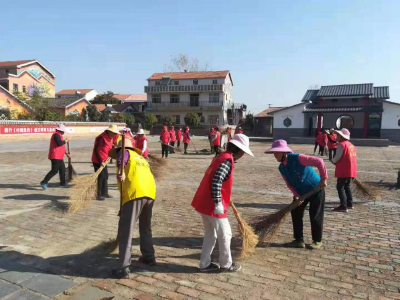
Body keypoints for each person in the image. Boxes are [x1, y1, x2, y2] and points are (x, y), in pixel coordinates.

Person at [191, 134, 254, 272]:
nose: (243, 154)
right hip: (212, 204)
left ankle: (205, 264)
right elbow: (217, 180)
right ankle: (226, 264)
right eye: (243, 151)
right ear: (239, 150)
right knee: (226, 234)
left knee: (210, 234)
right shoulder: (227, 160)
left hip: (204, 202)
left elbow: (217, 179)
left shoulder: (221, 157)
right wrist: (218, 202)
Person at [265, 139, 327, 250]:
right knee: (296, 211)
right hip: (302, 193)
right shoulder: (282, 168)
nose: (275, 155)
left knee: (315, 215)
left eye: (277, 152)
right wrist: (296, 195)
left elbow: (319, 161)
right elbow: (289, 184)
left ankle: (317, 240)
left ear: (284, 152)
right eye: (273, 153)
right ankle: (299, 240)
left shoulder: (298, 158)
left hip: (316, 189)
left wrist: (323, 178)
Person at [109, 138, 156, 279]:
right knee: (145, 227)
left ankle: (124, 268)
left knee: (126, 231)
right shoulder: (141, 158)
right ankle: (149, 257)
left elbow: (121, 161)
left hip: (135, 194)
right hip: (150, 193)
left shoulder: (123, 153)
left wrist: (120, 172)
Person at [331, 128, 357, 212]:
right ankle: (350, 203)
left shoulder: (341, 145)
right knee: (347, 186)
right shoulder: (351, 145)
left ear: (342, 136)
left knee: (340, 187)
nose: (336, 136)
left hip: (344, 170)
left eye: (338, 135)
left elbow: (338, 156)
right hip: (351, 170)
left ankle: (343, 205)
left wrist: (333, 160)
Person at [92, 124, 120, 201]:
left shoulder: (109, 137)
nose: (115, 135)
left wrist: (114, 147)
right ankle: (98, 194)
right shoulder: (102, 138)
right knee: (100, 177)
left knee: (105, 176)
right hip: (98, 160)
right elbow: (97, 150)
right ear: (110, 131)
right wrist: (101, 162)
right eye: (114, 133)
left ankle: (105, 193)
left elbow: (109, 146)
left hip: (104, 159)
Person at [40, 124, 70, 190]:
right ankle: (44, 182)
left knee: (62, 169)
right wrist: (65, 141)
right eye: (63, 131)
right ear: (61, 130)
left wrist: (66, 153)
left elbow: (61, 146)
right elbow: (59, 143)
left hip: (59, 156)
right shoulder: (56, 135)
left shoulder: (59, 135)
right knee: (54, 170)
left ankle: (62, 182)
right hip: (55, 156)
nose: (64, 132)